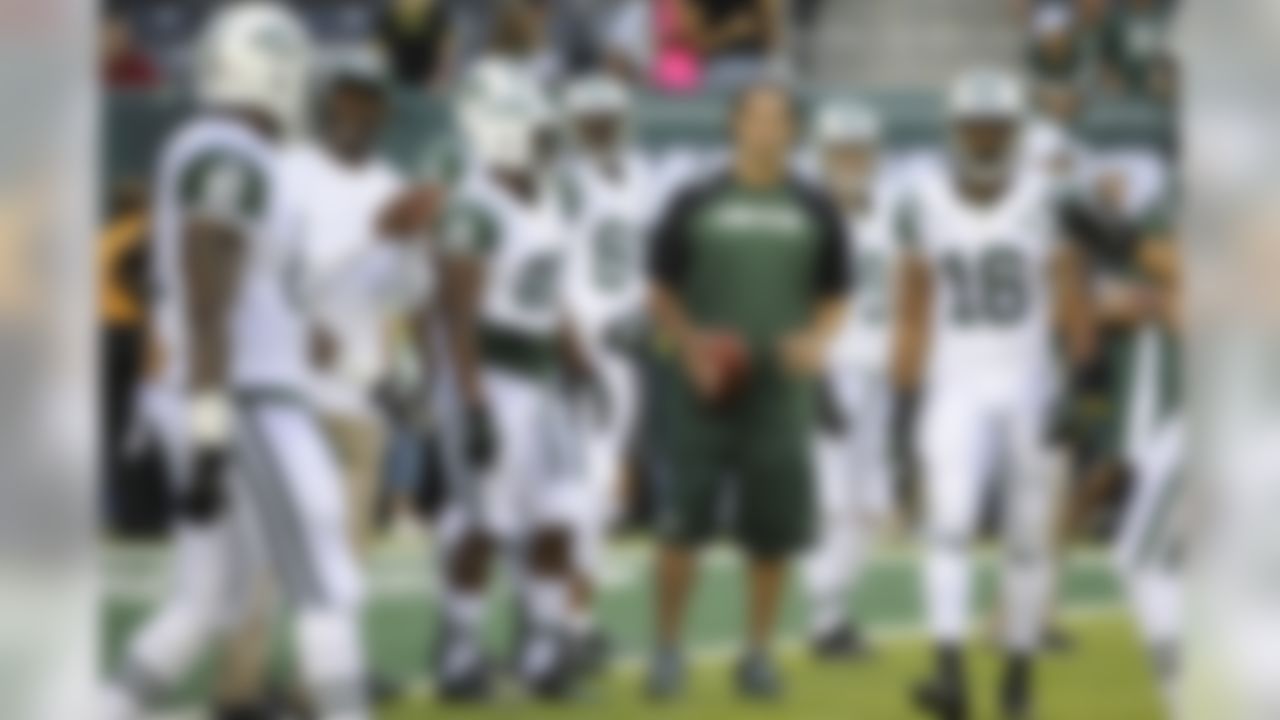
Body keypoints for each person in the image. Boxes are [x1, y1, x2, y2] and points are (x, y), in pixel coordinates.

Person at [103, 4, 375, 720]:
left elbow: (200, 280)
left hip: (239, 383)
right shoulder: (227, 150)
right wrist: (210, 430)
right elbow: (205, 302)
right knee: (323, 571)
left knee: (206, 603)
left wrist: (292, 329)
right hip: (242, 397)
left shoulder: (233, 153)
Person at [893, 67, 1093, 720]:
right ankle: (949, 673)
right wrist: (903, 402)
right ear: (954, 129)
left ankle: (1018, 678)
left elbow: (1073, 297)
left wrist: (1084, 380)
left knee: (1028, 536)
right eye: (973, 126)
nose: (982, 139)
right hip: (954, 382)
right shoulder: (921, 197)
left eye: (995, 127)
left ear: (1015, 131)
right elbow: (914, 306)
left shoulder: (1046, 197)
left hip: (1031, 379)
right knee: (947, 525)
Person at [645, 82, 851, 700]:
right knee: (682, 525)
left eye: (778, 119)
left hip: (781, 392)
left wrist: (816, 341)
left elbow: (837, 294)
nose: (766, 129)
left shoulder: (816, 206)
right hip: (704, 391)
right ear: (733, 124)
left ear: (793, 130)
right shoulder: (694, 199)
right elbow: (660, 290)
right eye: (754, 117)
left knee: (773, 530)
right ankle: (667, 650)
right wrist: (690, 348)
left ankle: (757, 652)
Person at [432, 75, 582, 701]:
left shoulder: (544, 197)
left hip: (541, 378)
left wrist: (584, 363)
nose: (548, 144)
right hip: (490, 375)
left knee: (563, 514)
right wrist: (472, 400)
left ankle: (545, 648)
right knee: (483, 524)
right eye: (538, 133)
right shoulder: (474, 206)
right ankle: (459, 648)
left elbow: (548, 296)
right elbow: (457, 314)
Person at [560, 72, 659, 673]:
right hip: (577, 350)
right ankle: (561, 623)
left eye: (608, 122)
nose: (600, 133)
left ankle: (572, 622)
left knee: (604, 499)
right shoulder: (563, 183)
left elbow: (649, 269)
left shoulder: (643, 179)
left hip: (624, 354)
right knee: (577, 495)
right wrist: (573, 343)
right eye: (590, 124)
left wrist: (645, 318)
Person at [799, 99, 899, 660]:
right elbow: (794, 300)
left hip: (879, 371)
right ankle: (825, 618)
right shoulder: (808, 216)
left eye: (860, 149)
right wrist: (814, 380)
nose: (852, 159)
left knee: (869, 502)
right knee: (832, 497)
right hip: (831, 366)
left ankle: (836, 609)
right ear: (822, 154)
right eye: (841, 149)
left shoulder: (891, 212)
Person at [374, 0, 455, 89]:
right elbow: (381, 47)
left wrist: (442, 75)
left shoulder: (436, 15)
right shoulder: (390, 15)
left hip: (429, 79)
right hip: (397, 76)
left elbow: (446, 46)